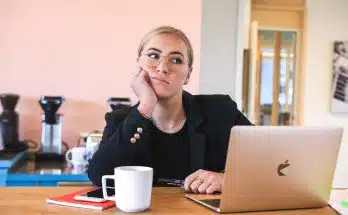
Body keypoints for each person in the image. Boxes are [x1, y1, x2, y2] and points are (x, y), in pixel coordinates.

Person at [87, 26, 252, 194]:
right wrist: (145, 107)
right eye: (153, 56)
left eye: (176, 60)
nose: (162, 68)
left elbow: (270, 163)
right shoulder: (120, 120)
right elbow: (99, 176)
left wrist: (228, 181)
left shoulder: (221, 111)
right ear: (138, 65)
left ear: (188, 74)